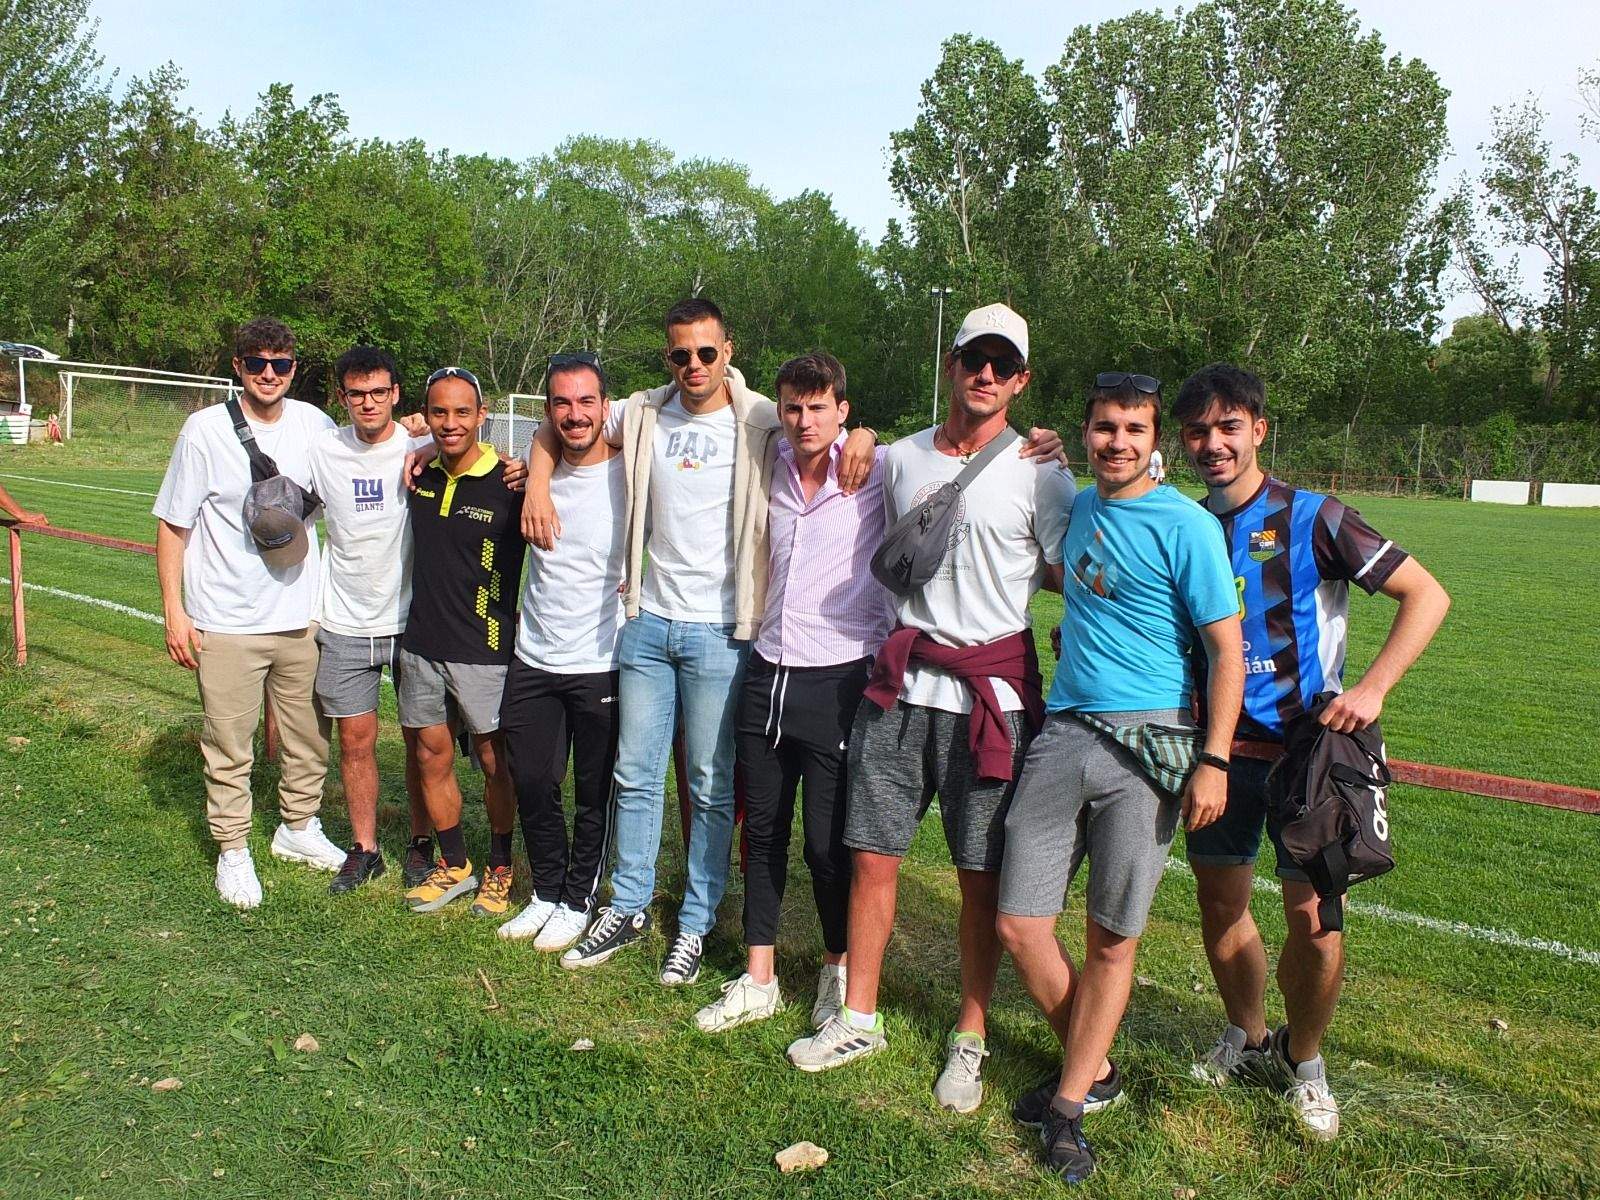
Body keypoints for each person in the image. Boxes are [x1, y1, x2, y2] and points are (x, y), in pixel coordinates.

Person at [522, 298, 880, 987]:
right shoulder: (642, 413)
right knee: (635, 774)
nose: (694, 364)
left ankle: (695, 920)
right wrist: (538, 482)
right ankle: (627, 906)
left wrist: (862, 432)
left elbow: (829, 425)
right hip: (647, 621)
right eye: (681, 353)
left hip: (723, 631)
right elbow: (558, 422)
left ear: (727, 351)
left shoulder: (763, 419)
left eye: (706, 352)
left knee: (711, 784)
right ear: (668, 357)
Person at [784, 303, 1077, 1116]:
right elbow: (836, 460)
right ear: (951, 364)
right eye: (973, 359)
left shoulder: (1042, 472)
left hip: (991, 699)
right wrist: (865, 433)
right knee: (872, 857)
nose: (985, 375)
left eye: (1002, 365)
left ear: (1020, 381)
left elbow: (1068, 574)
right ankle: (859, 1018)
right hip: (900, 687)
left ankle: (970, 1036)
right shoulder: (902, 457)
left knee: (980, 878)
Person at [1175, 363, 1450, 1140]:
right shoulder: (1186, 526)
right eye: (1197, 431)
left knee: (1317, 924)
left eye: (1229, 427)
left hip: (1312, 756)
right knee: (1220, 904)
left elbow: (1426, 594)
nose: (1213, 444)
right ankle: (1247, 1035)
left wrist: (1374, 689)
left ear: (1259, 430)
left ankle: (1306, 1062)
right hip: (1220, 753)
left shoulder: (1316, 518)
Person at [994, 371, 1244, 1184]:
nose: (1118, 443)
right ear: (1087, 433)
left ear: (1154, 442)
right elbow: (1062, 558)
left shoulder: (1187, 525)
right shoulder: (1080, 508)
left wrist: (1213, 759)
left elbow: (1226, 650)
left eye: (1134, 430)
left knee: (1112, 936)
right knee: (1019, 924)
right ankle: (1096, 1066)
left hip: (1151, 744)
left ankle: (1068, 1106)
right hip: (1065, 732)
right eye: (1105, 427)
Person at [692, 352, 895, 1034]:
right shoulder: (770, 462)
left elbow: (941, 455)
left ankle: (837, 969)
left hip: (839, 676)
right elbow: (725, 392)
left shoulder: (875, 469)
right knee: (763, 831)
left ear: (843, 410)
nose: (804, 421)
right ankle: (760, 976)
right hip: (767, 666)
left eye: (818, 407)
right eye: (793, 407)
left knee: (827, 845)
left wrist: (867, 436)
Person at [153, 317, 343, 908]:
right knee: (229, 743)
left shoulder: (315, 424)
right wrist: (174, 611)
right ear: (238, 367)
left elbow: (367, 454)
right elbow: (173, 525)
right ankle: (233, 849)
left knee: (309, 736)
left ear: (294, 368)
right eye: (257, 363)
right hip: (227, 619)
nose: (269, 374)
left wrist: (414, 430)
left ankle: (298, 826)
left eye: (280, 364)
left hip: (301, 616)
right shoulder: (204, 430)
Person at [495, 352, 626, 952]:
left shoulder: (631, 472)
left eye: (586, 401)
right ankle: (546, 891)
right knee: (532, 780)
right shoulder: (527, 476)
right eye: (562, 403)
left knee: (593, 793)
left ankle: (579, 899)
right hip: (535, 656)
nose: (575, 415)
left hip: (602, 660)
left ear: (606, 406)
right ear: (547, 411)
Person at [306, 345, 436, 893]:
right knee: (355, 741)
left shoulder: (421, 446)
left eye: (379, 392)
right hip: (344, 621)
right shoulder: (322, 450)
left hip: (412, 620)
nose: (368, 403)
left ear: (396, 394)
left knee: (421, 741)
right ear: (342, 397)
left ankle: (421, 842)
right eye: (357, 394)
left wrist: (428, 432)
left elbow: (476, 448)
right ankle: (365, 849)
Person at [397, 368, 526, 916]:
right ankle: (454, 863)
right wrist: (421, 447)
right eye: (439, 412)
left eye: (461, 412)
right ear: (426, 415)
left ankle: (499, 866)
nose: (450, 423)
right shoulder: (418, 473)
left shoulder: (512, 481)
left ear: (482, 415)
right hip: (421, 643)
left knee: (496, 763)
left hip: (485, 648)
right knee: (431, 754)